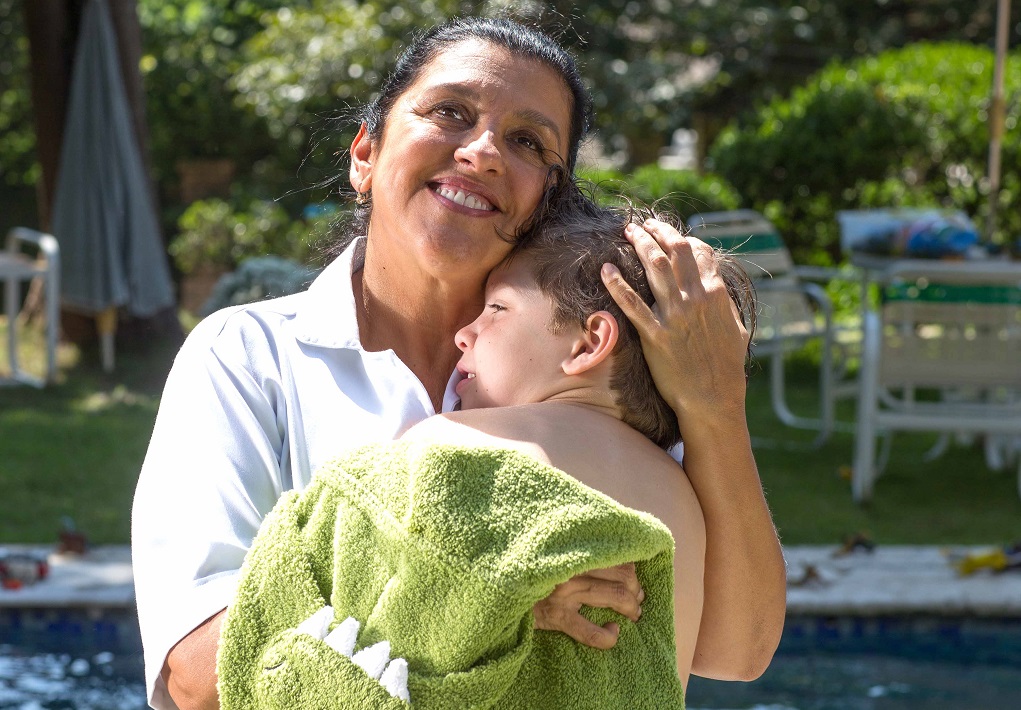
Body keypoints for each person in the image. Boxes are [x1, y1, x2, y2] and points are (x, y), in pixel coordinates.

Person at [132, 16, 786, 710]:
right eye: (450, 112)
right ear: (365, 153)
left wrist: (714, 410)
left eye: (527, 141)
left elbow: (733, 650)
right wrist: (482, 594)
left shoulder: (602, 389)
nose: (482, 151)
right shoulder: (246, 356)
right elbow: (197, 677)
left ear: (547, 200)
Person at [217, 190, 755, 708]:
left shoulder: (458, 443)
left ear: (590, 342)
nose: (465, 334)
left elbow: (341, 604)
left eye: (495, 309)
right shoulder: (685, 498)